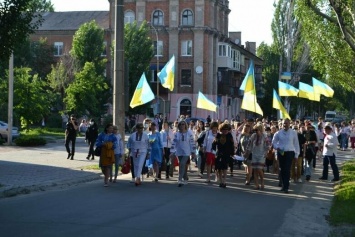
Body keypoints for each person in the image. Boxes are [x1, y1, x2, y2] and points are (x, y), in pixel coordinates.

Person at [272, 118, 300, 194]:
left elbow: (296, 144)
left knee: (287, 169)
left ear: (289, 124)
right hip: (281, 152)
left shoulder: (293, 133)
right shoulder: (278, 133)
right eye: (284, 123)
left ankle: (286, 186)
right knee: (282, 169)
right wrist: (276, 147)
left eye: (287, 123)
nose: (285, 125)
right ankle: (284, 185)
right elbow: (273, 142)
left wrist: (296, 155)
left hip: (290, 152)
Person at [170, 120, 196, 187]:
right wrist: (172, 152)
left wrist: (193, 152)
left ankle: (179, 179)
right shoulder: (177, 134)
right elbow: (174, 143)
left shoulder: (189, 134)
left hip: (186, 152)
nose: (182, 125)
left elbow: (192, 143)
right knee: (182, 165)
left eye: (183, 124)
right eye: (181, 124)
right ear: (179, 126)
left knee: (182, 163)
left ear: (185, 125)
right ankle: (185, 177)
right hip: (179, 152)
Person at [212, 123, 234, 188]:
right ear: (221, 130)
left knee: (225, 168)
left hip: (227, 154)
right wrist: (214, 152)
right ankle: (220, 181)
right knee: (219, 168)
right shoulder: (218, 135)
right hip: (219, 153)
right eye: (224, 129)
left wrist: (232, 153)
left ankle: (224, 181)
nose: (225, 131)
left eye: (226, 129)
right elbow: (213, 144)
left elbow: (232, 145)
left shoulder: (230, 136)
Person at [247, 123, 269, 190]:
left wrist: (266, 152)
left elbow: (267, 145)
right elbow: (249, 144)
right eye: (255, 130)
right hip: (254, 154)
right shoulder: (253, 136)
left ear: (260, 130)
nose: (256, 131)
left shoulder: (265, 136)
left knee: (259, 169)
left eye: (257, 130)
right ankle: (256, 184)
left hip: (261, 154)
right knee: (255, 170)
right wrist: (247, 152)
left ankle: (262, 181)